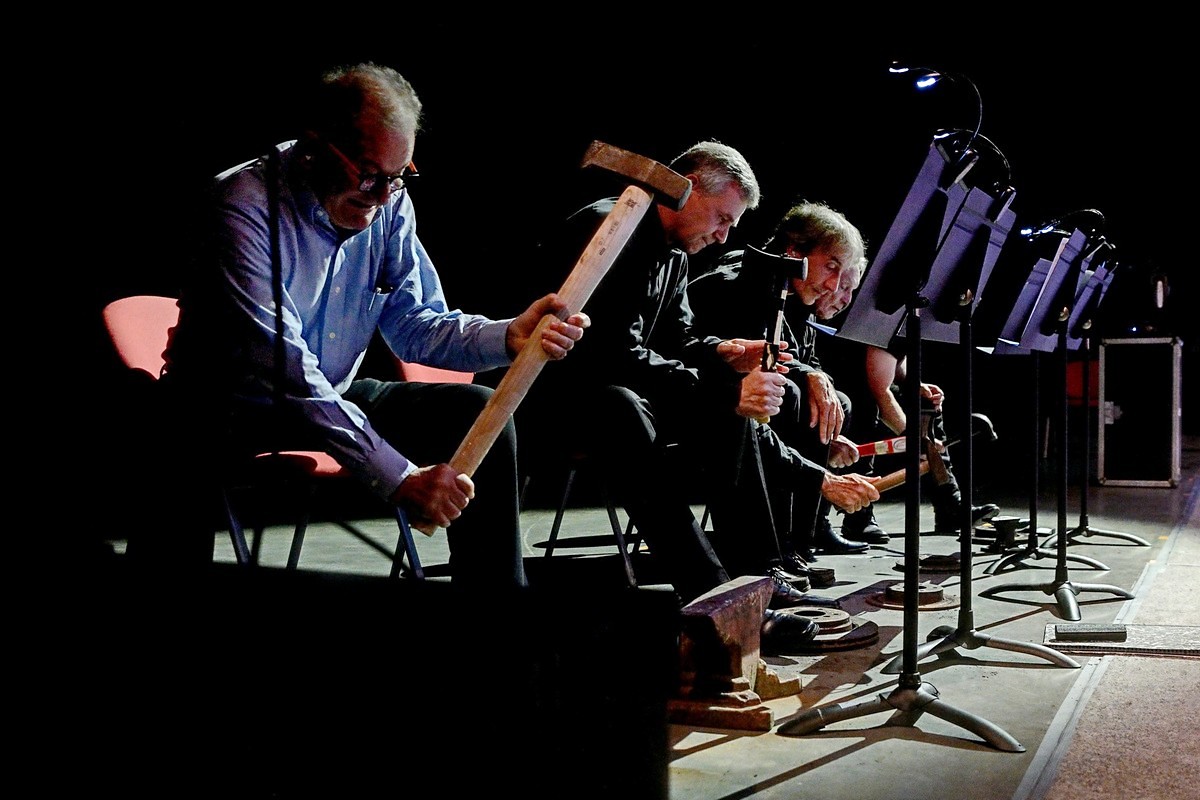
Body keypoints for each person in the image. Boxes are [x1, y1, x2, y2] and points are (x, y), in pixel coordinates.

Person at [155, 62, 589, 588]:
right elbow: (287, 375)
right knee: (178, 479)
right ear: (314, 147)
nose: (384, 195)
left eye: (399, 177)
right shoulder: (241, 207)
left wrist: (508, 336)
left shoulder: (388, 202)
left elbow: (416, 325)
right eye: (369, 173)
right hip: (222, 408)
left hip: (329, 391)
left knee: (471, 412)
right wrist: (400, 478)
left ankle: (498, 626)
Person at [520, 140, 877, 653]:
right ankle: (714, 598)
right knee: (630, 405)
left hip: (618, 390)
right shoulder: (612, 229)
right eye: (722, 217)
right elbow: (606, 352)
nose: (726, 234)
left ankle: (759, 579)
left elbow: (678, 342)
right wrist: (725, 388)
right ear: (684, 192)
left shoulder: (673, 254)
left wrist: (728, 352)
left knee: (733, 411)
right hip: (554, 398)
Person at [687, 200, 879, 589]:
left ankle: (798, 542)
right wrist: (821, 475)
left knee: (831, 402)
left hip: (746, 420)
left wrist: (819, 392)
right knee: (789, 394)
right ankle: (768, 554)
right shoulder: (739, 286)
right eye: (831, 267)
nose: (833, 287)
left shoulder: (789, 293)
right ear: (794, 252)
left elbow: (797, 356)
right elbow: (751, 367)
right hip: (704, 414)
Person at [839, 340, 1000, 535]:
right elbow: (880, 391)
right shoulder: (886, 317)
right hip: (847, 384)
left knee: (925, 402)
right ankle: (858, 516)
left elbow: (894, 366)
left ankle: (950, 506)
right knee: (867, 405)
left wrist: (917, 385)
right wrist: (915, 439)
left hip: (874, 379)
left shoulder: (909, 318)